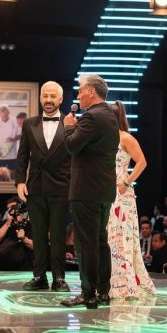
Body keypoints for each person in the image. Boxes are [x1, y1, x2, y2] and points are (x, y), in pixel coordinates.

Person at [60, 74, 119, 309]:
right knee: (100, 241)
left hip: (86, 190)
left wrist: (67, 128)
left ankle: (88, 293)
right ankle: (103, 291)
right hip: (104, 190)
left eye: (81, 90)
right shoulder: (111, 115)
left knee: (86, 244)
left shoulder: (91, 118)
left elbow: (71, 146)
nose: (78, 95)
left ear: (91, 92)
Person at [16, 81, 71, 292]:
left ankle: (59, 278)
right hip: (35, 187)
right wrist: (20, 181)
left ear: (60, 99)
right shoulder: (29, 123)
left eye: (52, 96)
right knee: (38, 234)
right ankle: (39, 276)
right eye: (45, 96)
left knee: (58, 234)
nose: (48, 100)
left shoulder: (71, 122)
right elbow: (22, 156)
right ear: (40, 98)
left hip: (62, 186)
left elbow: (76, 157)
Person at [106, 100, 156, 299]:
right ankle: (109, 282)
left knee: (123, 240)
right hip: (105, 191)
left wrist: (126, 182)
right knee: (108, 239)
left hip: (122, 194)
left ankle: (125, 284)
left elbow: (142, 162)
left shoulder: (126, 138)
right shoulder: (104, 137)